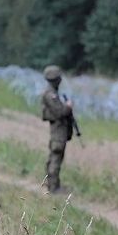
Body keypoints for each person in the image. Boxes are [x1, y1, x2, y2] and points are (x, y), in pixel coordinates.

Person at [40, 65, 76, 194]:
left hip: (59, 130)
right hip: (58, 131)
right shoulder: (50, 95)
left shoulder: (52, 93)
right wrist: (68, 107)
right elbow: (59, 112)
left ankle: (52, 184)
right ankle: (54, 188)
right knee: (56, 157)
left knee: (55, 157)